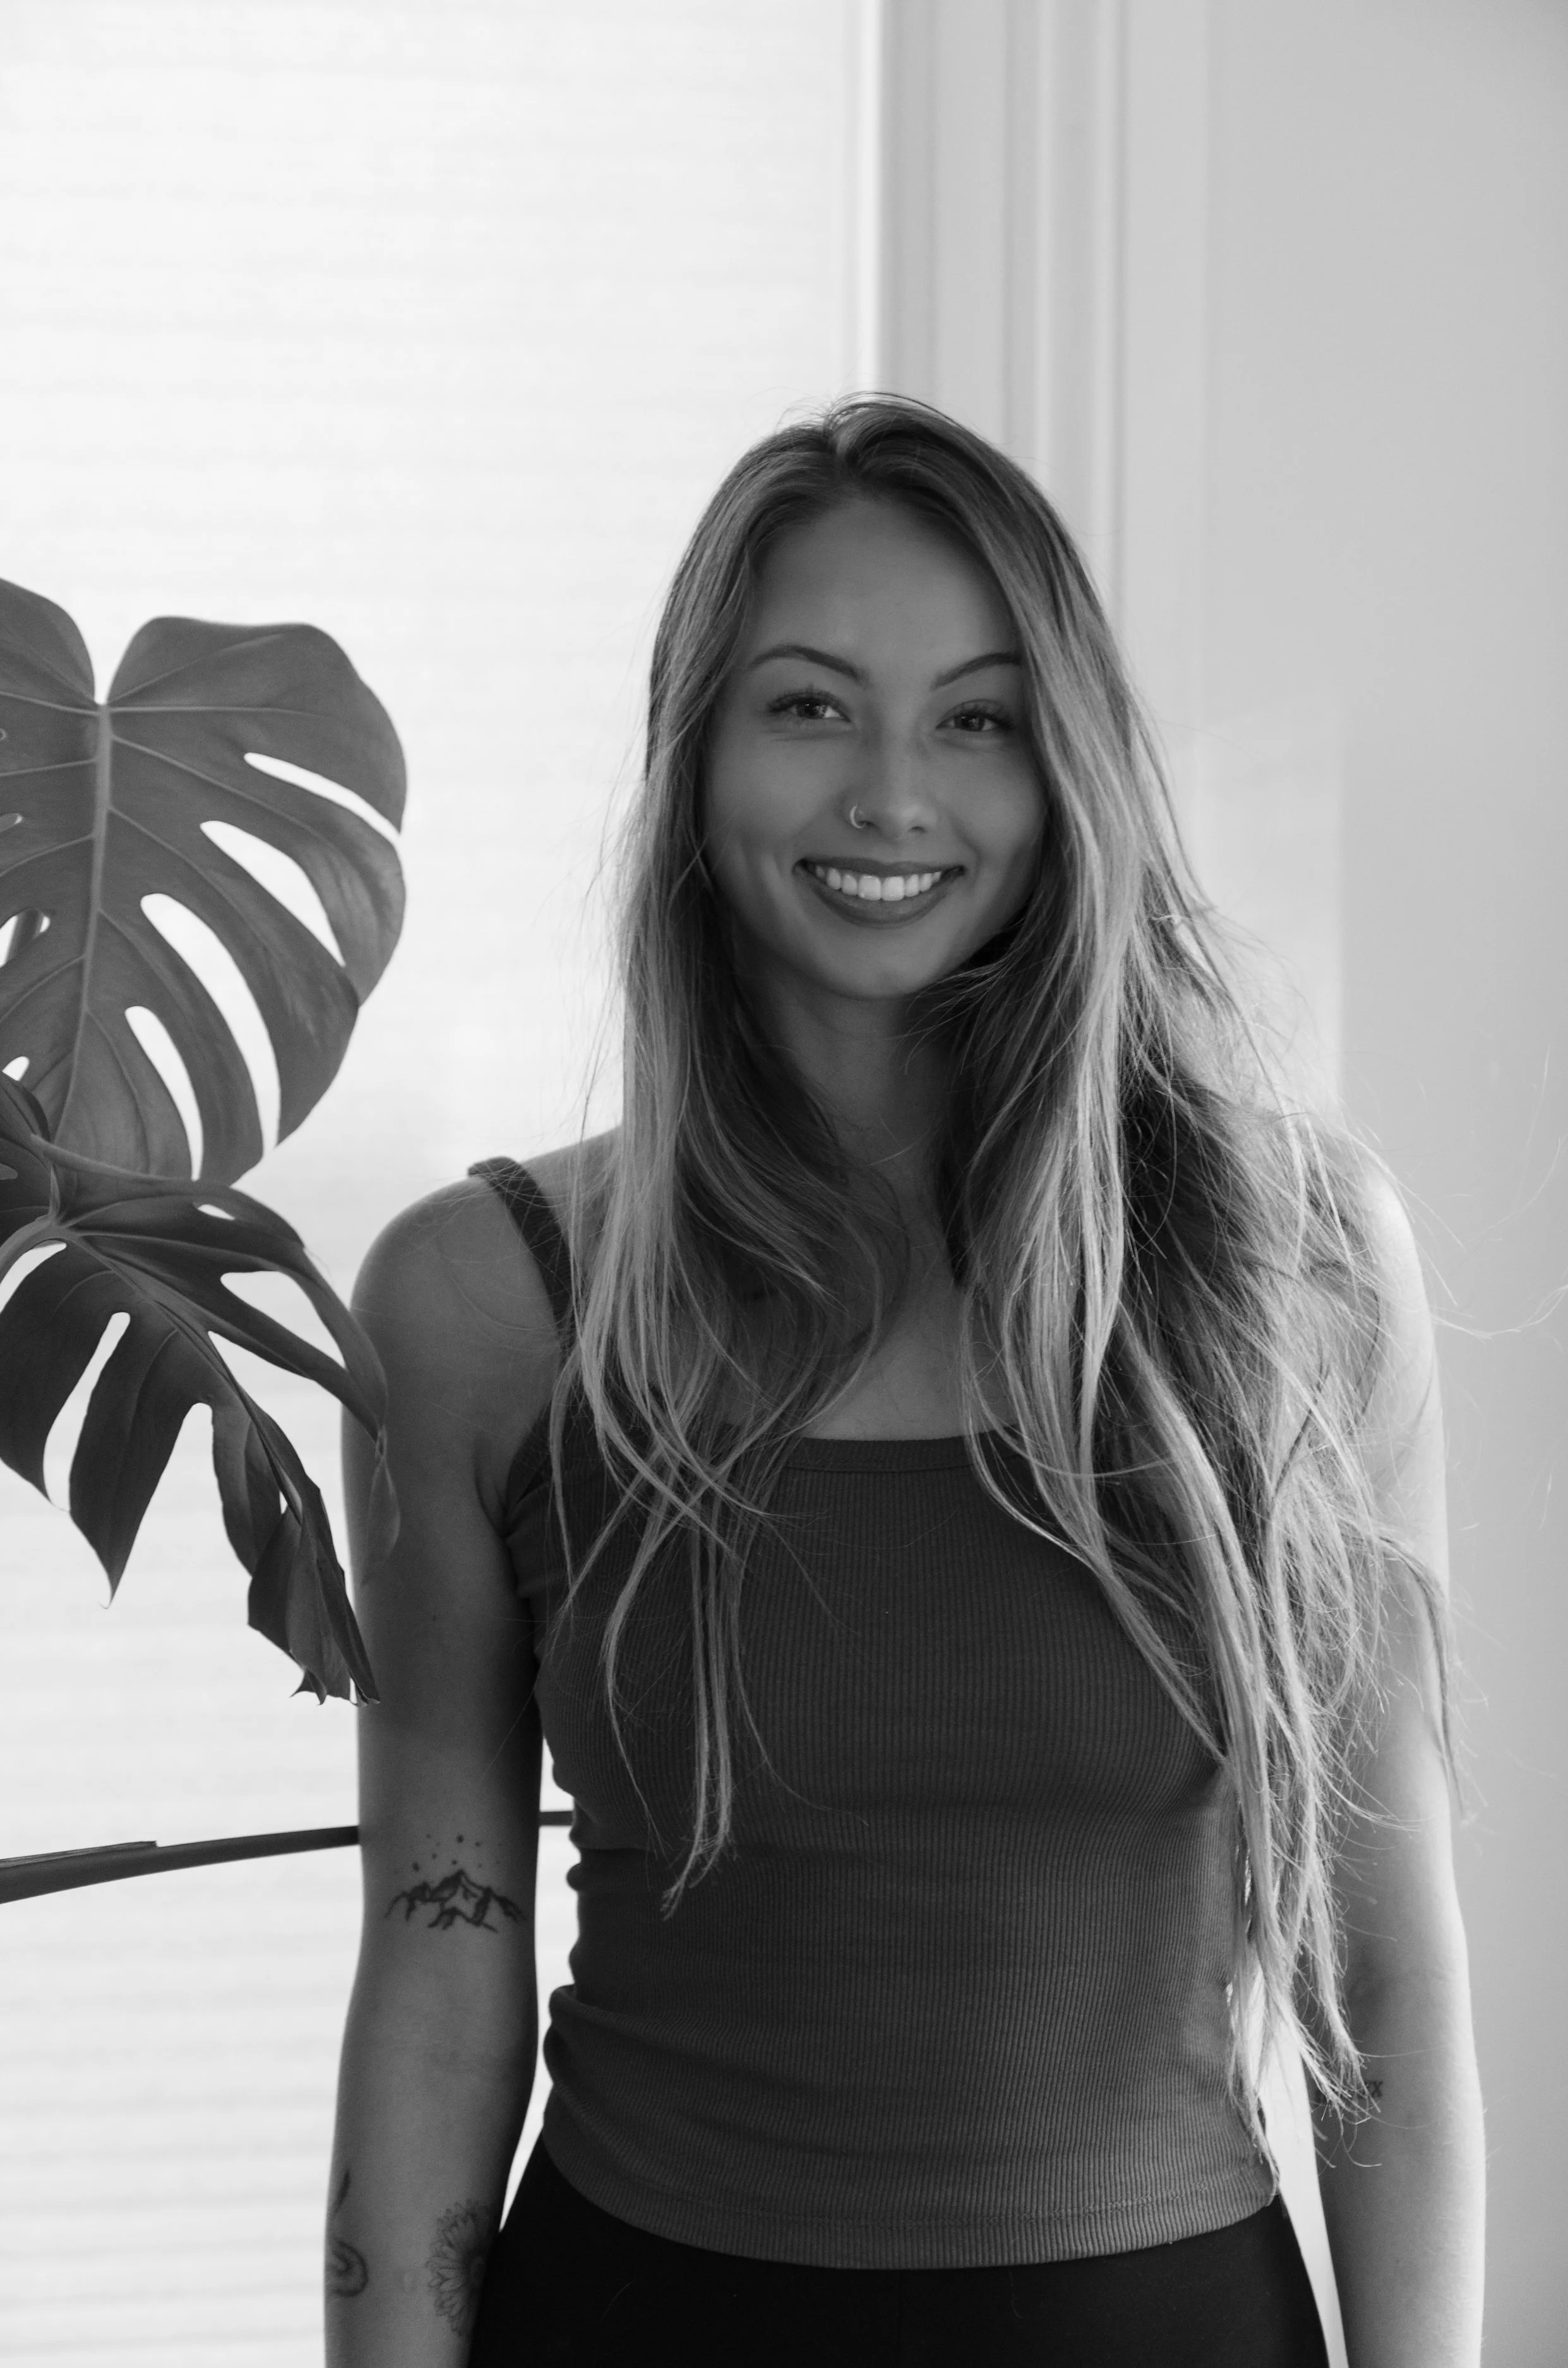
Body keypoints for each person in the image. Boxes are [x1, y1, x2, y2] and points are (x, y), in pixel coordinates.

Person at [325, 398, 1484, 2367]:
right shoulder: (486, 1306)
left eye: (974, 717)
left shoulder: (1289, 1264)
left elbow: (1384, 1964)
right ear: (694, 757)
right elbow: (442, 1965)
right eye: (806, 706)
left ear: (1068, 770)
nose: (891, 794)